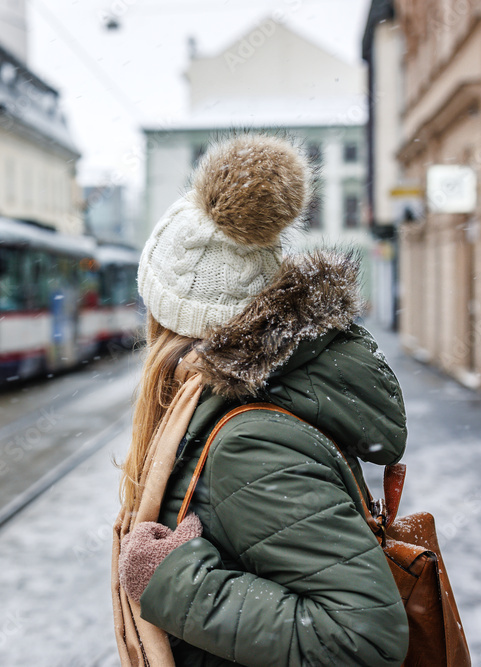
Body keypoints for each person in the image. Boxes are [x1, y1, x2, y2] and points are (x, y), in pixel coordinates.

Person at [112, 134, 410, 666]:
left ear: (172, 319)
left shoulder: (250, 443)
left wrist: (176, 583)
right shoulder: (228, 411)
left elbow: (363, 638)